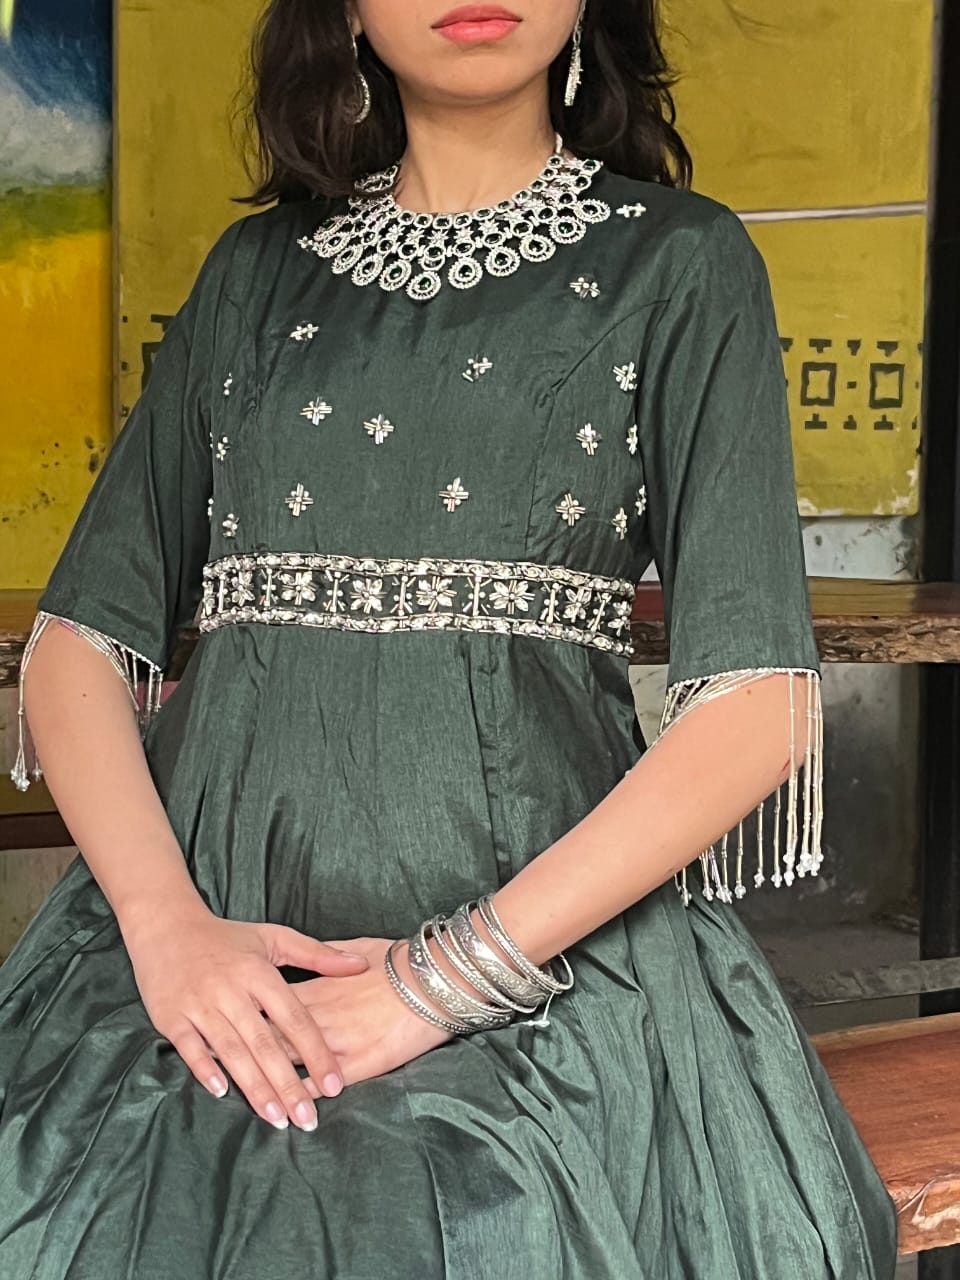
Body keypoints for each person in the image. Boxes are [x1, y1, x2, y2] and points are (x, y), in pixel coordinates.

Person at [0, 1, 898, 1276]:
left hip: (548, 960)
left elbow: (757, 704)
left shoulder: (680, 264)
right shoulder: (253, 272)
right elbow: (78, 643)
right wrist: (167, 932)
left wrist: (438, 982)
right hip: (207, 940)